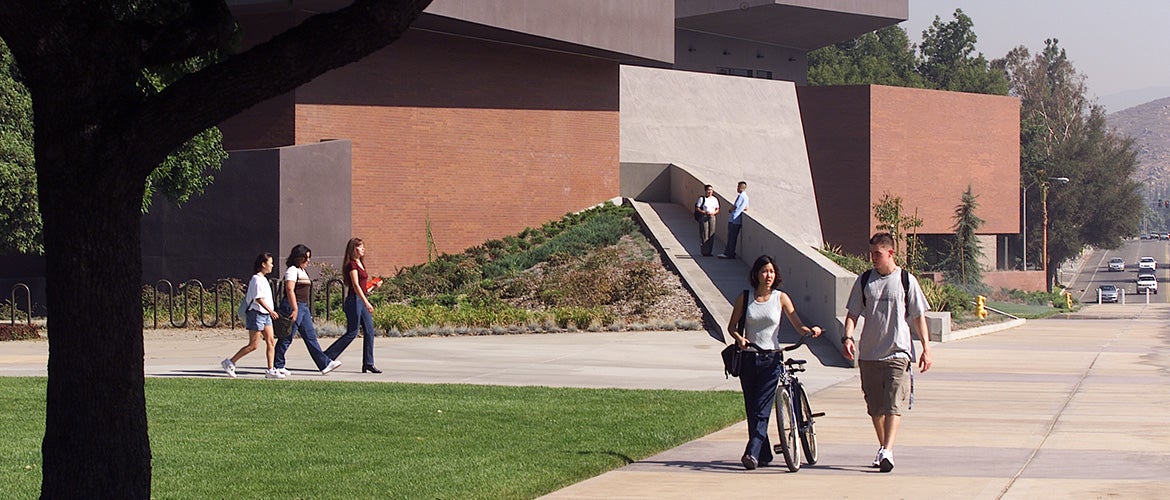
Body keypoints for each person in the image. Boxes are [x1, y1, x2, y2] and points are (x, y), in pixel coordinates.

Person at [842, 232, 933, 473]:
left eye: (877, 254)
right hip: (870, 354)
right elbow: (852, 313)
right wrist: (848, 337)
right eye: (871, 253)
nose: (873, 258)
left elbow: (918, 317)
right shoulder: (864, 281)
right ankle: (884, 447)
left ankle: (888, 451)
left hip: (898, 352)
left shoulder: (906, 280)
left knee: (893, 403)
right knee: (875, 407)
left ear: (890, 253)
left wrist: (926, 347)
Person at [726, 255, 822, 470]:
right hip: (749, 358)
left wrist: (810, 331)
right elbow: (731, 326)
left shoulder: (781, 298)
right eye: (763, 271)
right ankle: (765, 453)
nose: (768, 275)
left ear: (775, 274)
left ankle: (751, 452)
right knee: (752, 408)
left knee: (761, 407)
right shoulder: (745, 297)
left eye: (771, 271)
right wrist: (740, 339)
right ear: (756, 274)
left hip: (772, 359)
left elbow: (798, 325)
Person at [273, 244, 343, 376]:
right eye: (306, 258)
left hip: (303, 307)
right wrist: (294, 308)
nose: (308, 261)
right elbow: (289, 289)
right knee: (287, 336)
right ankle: (278, 365)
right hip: (294, 305)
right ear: (298, 258)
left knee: (310, 336)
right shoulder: (292, 270)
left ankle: (324, 364)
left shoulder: (302, 271)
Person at [221, 253, 284, 379]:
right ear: (263, 264)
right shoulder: (256, 279)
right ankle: (230, 362)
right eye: (270, 263)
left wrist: (269, 312)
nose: (272, 265)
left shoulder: (264, 279)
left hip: (265, 315)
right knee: (253, 345)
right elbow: (258, 298)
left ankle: (270, 369)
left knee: (271, 341)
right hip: (257, 314)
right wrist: (271, 311)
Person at [324, 237, 382, 373]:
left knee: (369, 331)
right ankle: (326, 356)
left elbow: (362, 288)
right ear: (353, 248)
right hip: (354, 301)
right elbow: (355, 285)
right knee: (352, 332)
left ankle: (368, 363)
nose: (363, 249)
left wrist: (374, 286)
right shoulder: (352, 265)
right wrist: (366, 302)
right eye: (360, 247)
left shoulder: (360, 263)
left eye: (363, 246)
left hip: (361, 299)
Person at [718, 181, 749, 259]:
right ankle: (730, 252)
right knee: (733, 237)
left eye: (738, 187)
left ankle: (729, 253)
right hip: (738, 220)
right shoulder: (746, 197)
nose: (737, 188)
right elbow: (746, 208)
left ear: (741, 187)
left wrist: (730, 210)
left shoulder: (741, 196)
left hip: (734, 219)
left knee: (731, 237)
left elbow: (736, 206)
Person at [695, 184, 720, 256]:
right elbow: (697, 208)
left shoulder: (715, 199)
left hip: (712, 216)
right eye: (708, 190)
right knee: (704, 233)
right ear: (705, 191)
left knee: (711, 233)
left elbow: (717, 209)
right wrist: (704, 212)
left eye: (711, 190)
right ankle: (704, 251)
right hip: (704, 216)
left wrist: (713, 213)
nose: (710, 192)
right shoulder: (702, 199)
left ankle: (709, 251)